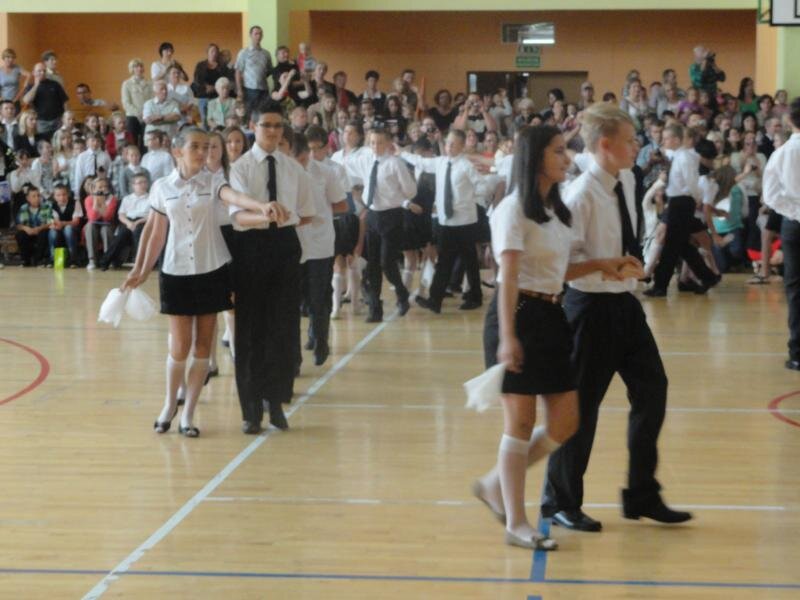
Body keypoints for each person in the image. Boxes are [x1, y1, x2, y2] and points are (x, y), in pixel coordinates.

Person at [475, 125, 640, 550]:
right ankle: (516, 522)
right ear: (535, 158)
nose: (567, 159)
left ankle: (494, 483)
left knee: (567, 421)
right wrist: (507, 337)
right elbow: (509, 277)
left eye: (566, 151)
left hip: (552, 314)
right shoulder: (513, 209)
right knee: (520, 423)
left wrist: (603, 264)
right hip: (518, 316)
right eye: (558, 151)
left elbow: (557, 270)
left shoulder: (556, 209)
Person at [541, 102, 692, 532]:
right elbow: (559, 267)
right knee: (580, 409)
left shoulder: (625, 179)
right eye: (629, 140)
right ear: (605, 145)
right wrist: (605, 266)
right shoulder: (579, 196)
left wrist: (627, 264)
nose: (637, 145)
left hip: (624, 304)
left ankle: (642, 494)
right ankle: (560, 501)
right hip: (589, 309)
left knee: (652, 390)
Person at [122, 126, 276, 437]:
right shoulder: (162, 187)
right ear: (177, 151)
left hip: (212, 269)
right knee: (180, 346)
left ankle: (189, 414)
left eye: (206, 147)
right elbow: (156, 234)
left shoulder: (214, 181)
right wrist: (141, 269)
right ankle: (170, 404)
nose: (203, 152)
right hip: (176, 271)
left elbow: (234, 197)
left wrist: (261, 207)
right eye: (195, 146)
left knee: (204, 345)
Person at [227, 100, 314, 434]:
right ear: (253, 127)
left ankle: (275, 402)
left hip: (284, 247)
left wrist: (284, 221)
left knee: (282, 327)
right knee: (251, 329)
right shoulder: (241, 167)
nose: (273, 131)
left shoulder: (293, 168)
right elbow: (237, 217)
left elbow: (306, 212)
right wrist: (265, 215)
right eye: (267, 125)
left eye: (278, 126)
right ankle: (251, 410)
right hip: (251, 247)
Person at [402, 129, 484, 313]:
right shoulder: (440, 162)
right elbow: (421, 161)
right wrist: (401, 153)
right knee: (444, 261)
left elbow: (481, 185)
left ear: (461, 146)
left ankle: (475, 297)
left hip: (465, 222)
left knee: (470, 261)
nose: (449, 147)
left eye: (453, 144)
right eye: (447, 143)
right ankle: (435, 299)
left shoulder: (466, 165)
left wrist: (471, 198)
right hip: (446, 222)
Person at [344, 127, 417, 322]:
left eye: (380, 142)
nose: (375, 146)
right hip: (373, 215)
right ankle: (375, 310)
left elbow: (410, 190)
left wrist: (400, 198)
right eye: (372, 142)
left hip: (392, 216)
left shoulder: (395, 164)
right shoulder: (366, 160)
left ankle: (401, 293)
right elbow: (345, 163)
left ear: (388, 144)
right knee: (373, 265)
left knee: (387, 262)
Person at [644, 123, 719, 296]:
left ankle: (660, 286)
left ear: (677, 140)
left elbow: (691, 182)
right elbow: (667, 153)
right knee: (682, 245)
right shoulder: (679, 155)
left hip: (682, 202)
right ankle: (708, 277)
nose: (663, 141)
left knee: (671, 245)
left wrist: (695, 198)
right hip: (678, 202)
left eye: (666, 138)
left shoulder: (685, 157)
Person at [294, 130, 348, 366]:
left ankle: (321, 341)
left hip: (320, 243)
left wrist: (319, 212)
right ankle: (295, 354)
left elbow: (342, 205)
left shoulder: (326, 172)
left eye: (304, 157)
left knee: (319, 297)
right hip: (294, 246)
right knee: (296, 302)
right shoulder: (286, 173)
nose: (302, 161)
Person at [763, 98, 800, 370]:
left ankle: (797, 352)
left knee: (796, 288)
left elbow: (771, 195)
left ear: (789, 121)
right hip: (793, 220)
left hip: (793, 223)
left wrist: (795, 210)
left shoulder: (782, 153)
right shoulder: (783, 152)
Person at [100, 173, 150, 270]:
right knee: (121, 235)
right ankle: (105, 262)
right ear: (133, 185)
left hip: (143, 221)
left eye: (145, 182)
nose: (143, 185)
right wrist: (129, 223)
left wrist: (137, 222)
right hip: (128, 221)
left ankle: (139, 263)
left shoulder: (152, 198)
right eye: (140, 183)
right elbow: (121, 215)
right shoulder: (127, 199)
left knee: (138, 232)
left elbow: (152, 215)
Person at [235, 26, 273, 122]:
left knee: (264, 114)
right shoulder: (243, 53)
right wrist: (239, 90)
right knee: (250, 115)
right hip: (249, 89)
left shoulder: (266, 54)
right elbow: (238, 71)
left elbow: (269, 70)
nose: (258, 36)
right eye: (256, 34)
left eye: (260, 34)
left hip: (264, 90)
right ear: (250, 35)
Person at [21, 63, 68, 138]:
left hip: (57, 120)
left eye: (44, 71)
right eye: (39, 71)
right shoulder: (30, 86)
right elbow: (26, 100)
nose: (42, 73)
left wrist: (65, 117)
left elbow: (65, 101)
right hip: (41, 122)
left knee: (58, 140)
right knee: (43, 141)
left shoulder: (55, 84)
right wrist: (36, 85)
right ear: (33, 72)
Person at [83, 177, 117, 270]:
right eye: (100, 187)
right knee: (90, 227)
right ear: (94, 189)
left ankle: (107, 259)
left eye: (105, 186)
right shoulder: (88, 199)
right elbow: (92, 217)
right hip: (93, 224)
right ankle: (92, 260)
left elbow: (107, 217)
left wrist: (102, 203)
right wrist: (95, 202)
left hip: (108, 224)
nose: (103, 189)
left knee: (105, 229)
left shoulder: (112, 199)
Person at [15, 185, 53, 266]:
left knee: (44, 233)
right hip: (28, 232)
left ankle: (39, 260)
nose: (37, 198)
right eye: (34, 196)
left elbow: (50, 222)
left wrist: (38, 228)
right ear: (28, 198)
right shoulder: (23, 208)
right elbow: (18, 225)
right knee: (20, 234)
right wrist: (26, 228)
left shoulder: (46, 206)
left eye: (38, 195)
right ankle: (25, 260)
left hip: (40, 232)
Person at [48, 182, 82, 266]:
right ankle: (53, 259)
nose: (62, 197)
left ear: (68, 194)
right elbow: (55, 221)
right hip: (59, 228)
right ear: (54, 196)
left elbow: (76, 221)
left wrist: (62, 223)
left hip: (74, 229)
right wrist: (56, 225)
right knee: (52, 232)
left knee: (68, 229)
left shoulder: (75, 203)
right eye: (58, 195)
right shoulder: (51, 205)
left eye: (64, 194)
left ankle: (73, 259)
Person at [121, 59, 152, 146]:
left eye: (141, 66)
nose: (139, 68)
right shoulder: (126, 83)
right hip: (132, 116)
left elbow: (151, 100)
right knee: (132, 142)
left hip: (146, 116)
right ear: (132, 69)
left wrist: (145, 113)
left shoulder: (150, 83)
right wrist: (138, 113)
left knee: (146, 142)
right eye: (136, 66)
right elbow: (126, 103)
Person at [192, 43, 224, 127]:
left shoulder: (221, 66)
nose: (214, 53)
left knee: (216, 120)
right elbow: (197, 79)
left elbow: (223, 80)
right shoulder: (200, 65)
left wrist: (214, 88)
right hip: (203, 96)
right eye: (212, 51)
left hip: (216, 96)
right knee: (204, 120)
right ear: (208, 52)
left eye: (216, 51)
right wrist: (206, 87)